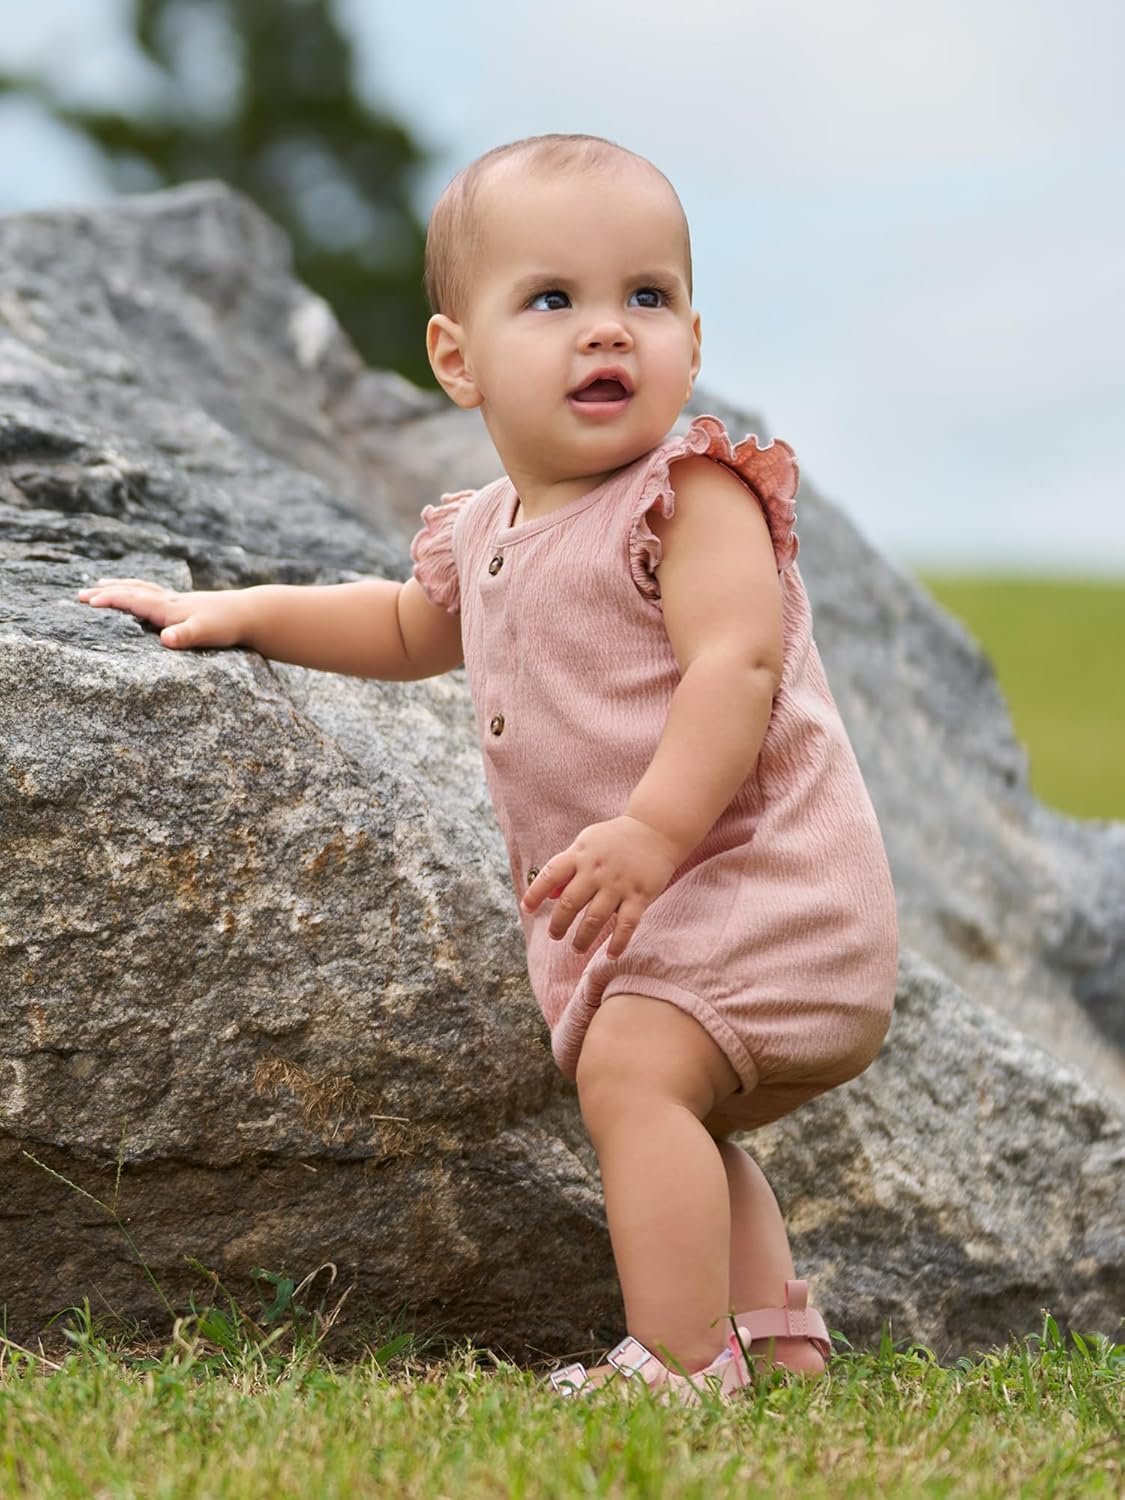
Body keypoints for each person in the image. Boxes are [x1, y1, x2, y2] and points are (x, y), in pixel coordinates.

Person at [78, 133, 898, 1405]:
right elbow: (406, 626)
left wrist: (651, 831)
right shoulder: (485, 529)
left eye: (647, 296)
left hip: (768, 891)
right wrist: (241, 612)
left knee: (636, 1074)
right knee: (674, 1108)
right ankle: (774, 1343)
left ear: (692, 338)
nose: (608, 330)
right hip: (685, 918)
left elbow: (736, 669)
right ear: (457, 359)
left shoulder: (693, 497)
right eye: (553, 299)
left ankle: (683, 1364)